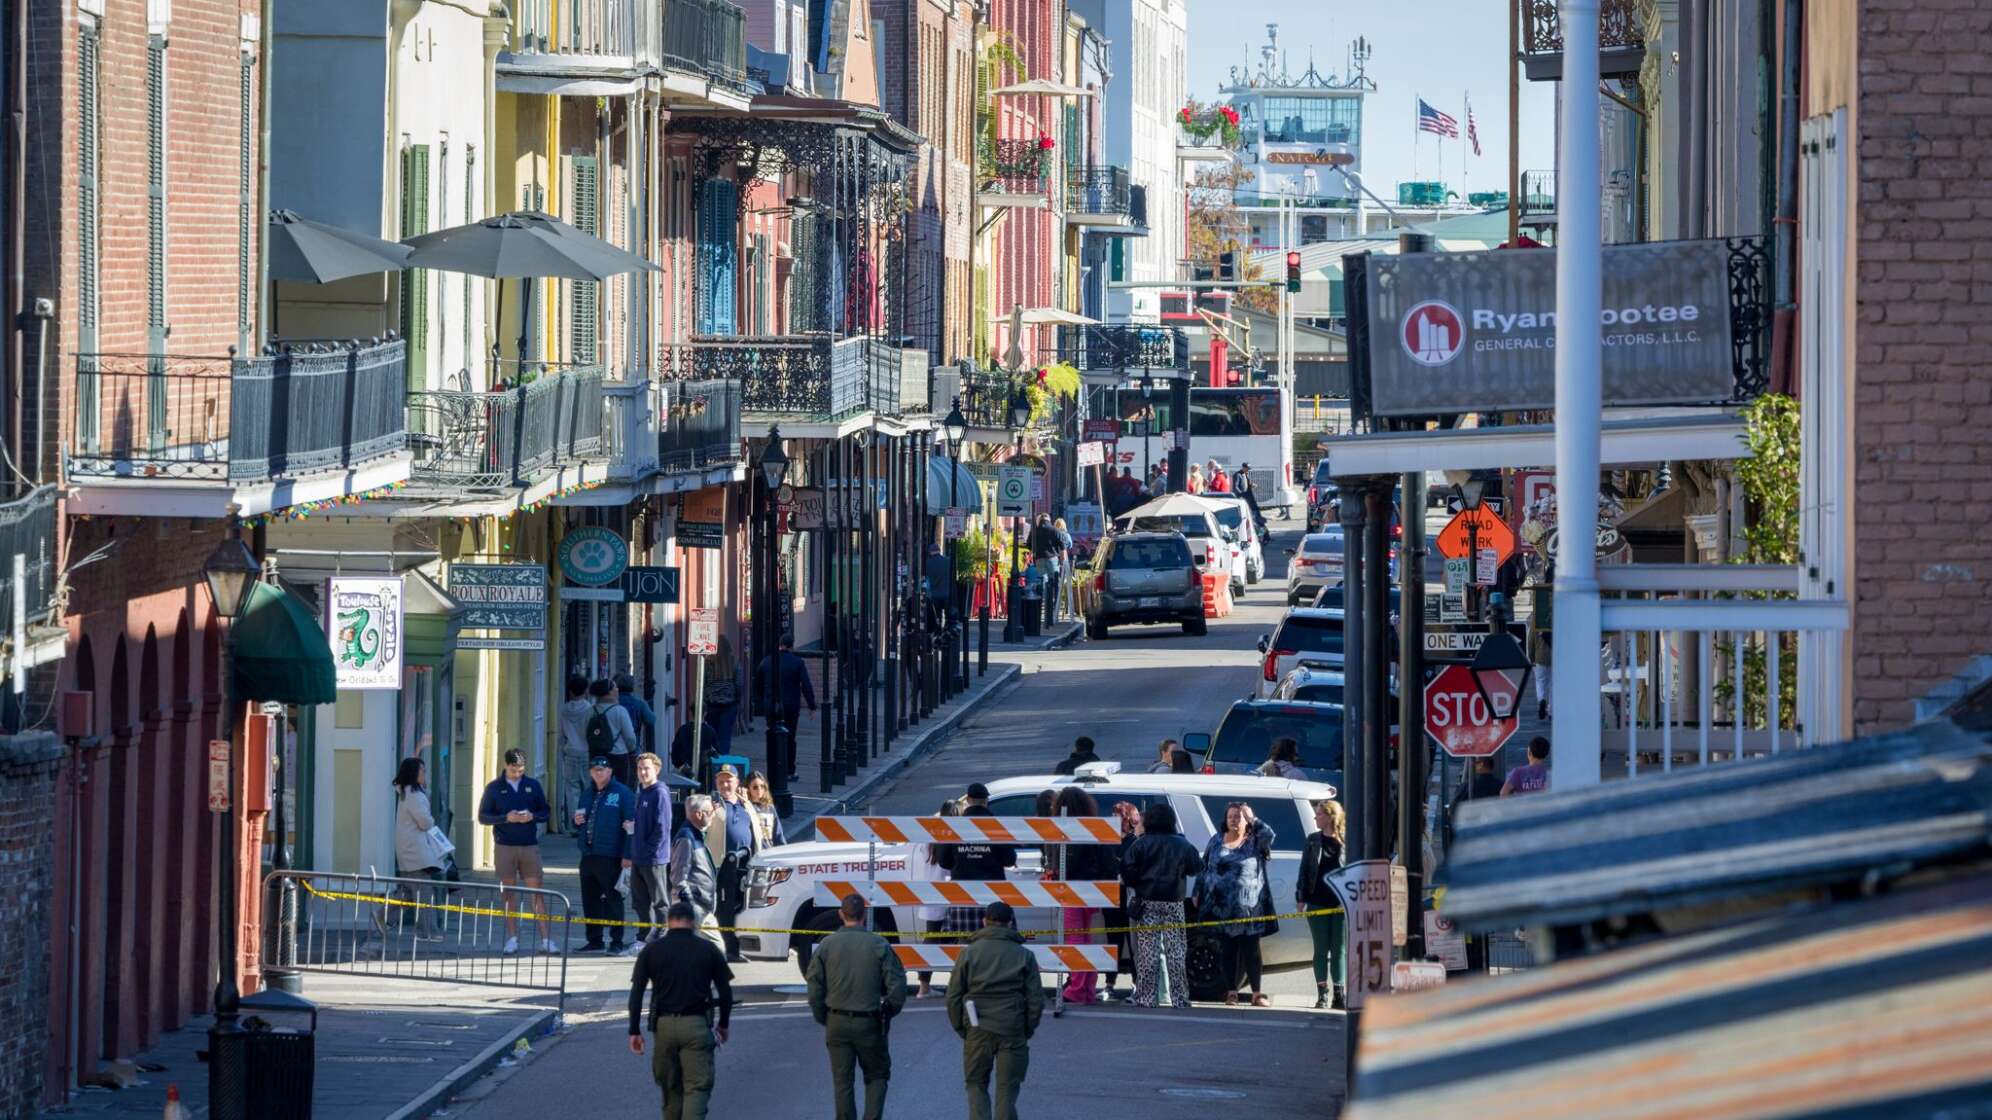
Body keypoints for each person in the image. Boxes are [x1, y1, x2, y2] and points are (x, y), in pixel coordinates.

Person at [628, 901, 734, 1120]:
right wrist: (723, 1024)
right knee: (697, 1087)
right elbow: (725, 993)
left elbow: (637, 993)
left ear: (668, 922)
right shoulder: (708, 949)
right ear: (694, 923)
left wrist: (634, 1031)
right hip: (696, 1025)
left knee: (670, 1088)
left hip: (664, 1026)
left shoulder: (652, 950)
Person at [807, 893, 908, 1120]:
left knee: (842, 1082)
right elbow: (898, 984)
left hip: (836, 1020)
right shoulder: (878, 944)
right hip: (869, 1021)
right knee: (877, 1076)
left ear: (841, 915)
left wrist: (823, 1016)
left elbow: (814, 987)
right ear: (864, 915)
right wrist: (888, 1011)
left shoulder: (826, 946)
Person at [946, 902, 1043, 1120]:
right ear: (1010, 923)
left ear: (984, 922)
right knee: (1007, 1089)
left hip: (977, 1025)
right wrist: (1026, 1028)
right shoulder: (1024, 955)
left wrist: (962, 1028)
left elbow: (953, 996)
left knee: (976, 1083)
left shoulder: (968, 953)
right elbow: (1036, 999)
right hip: (1012, 1026)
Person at [1118, 801, 1203, 1007]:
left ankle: (1147, 998)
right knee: (1176, 951)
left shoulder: (1140, 844)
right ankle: (1180, 998)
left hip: (1146, 901)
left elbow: (1126, 873)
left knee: (1148, 953)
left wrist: (1139, 881)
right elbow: (1196, 867)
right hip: (1174, 901)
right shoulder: (1182, 844)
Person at [1195, 801, 1278, 1006]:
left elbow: (1270, 835)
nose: (1233, 820)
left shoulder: (1255, 841)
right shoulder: (1216, 840)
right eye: (1230, 816)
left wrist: (1253, 818)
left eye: (1238, 817)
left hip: (1249, 908)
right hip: (1221, 908)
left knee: (1251, 951)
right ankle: (1231, 992)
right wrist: (1197, 891)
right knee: (1227, 950)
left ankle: (1257, 994)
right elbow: (1205, 867)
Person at [477, 749, 556, 955]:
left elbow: (545, 811)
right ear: (506, 765)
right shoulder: (494, 788)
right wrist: (505, 818)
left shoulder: (533, 785)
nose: (517, 773)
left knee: (536, 892)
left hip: (529, 844)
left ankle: (546, 939)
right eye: (513, 770)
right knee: (508, 894)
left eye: (521, 770)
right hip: (504, 846)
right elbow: (483, 817)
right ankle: (512, 938)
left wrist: (532, 816)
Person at [1050, 786, 1114, 1004]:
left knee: (1074, 938)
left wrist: (1056, 873)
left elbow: (1068, 863)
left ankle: (1077, 988)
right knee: (1087, 937)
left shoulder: (1067, 830)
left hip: (1072, 890)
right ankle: (1086, 987)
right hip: (1094, 890)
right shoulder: (1095, 827)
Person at [937, 783, 1016, 937]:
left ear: (968, 799)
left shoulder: (955, 827)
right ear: (986, 801)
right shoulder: (996, 826)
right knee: (996, 943)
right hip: (993, 899)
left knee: (963, 947)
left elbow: (944, 862)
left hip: (962, 896)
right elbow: (1009, 859)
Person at [574, 757, 634, 953]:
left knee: (613, 899)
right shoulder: (587, 793)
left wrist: (627, 855)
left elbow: (630, 826)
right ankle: (594, 939)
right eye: (595, 770)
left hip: (611, 855)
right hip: (589, 853)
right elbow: (581, 819)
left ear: (610, 771)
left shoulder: (622, 793)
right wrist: (577, 821)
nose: (598, 773)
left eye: (602, 769)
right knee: (589, 899)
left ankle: (616, 941)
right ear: (591, 772)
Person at [705, 765, 758, 961]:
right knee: (724, 909)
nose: (725, 784)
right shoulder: (713, 803)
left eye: (729, 780)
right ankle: (727, 949)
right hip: (723, 865)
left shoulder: (746, 804)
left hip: (746, 865)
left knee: (742, 907)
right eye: (721, 781)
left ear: (737, 782)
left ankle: (739, 947)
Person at [391, 757, 447, 940]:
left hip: (409, 850)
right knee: (424, 893)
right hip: (417, 852)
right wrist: (431, 820)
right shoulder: (415, 795)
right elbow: (425, 822)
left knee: (407, 894)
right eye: (422, 771)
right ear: (414, 774)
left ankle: (382, 915)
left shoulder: (406, 793)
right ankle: (427, 931)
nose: (424, 774)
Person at [1298, 799, 1347, 1010]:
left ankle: (1339, 992)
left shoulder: (1346, 841)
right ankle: (1322, 993)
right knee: (1321, 949)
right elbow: (1304, 871)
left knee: (1339, 949)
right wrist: (1300, 898)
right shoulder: (1312, 840)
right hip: (1317, 901)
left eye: (1319, 814)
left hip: (1341, 904)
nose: (1315, 818)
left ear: (1330, 817)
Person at [911, 798, 961, 998]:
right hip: (948, 894)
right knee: (956, 940)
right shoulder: (953, 835)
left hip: (930, 895)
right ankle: (955, 984)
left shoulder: (930, 835)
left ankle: (923, 987)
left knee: (930, 941)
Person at [625, 752, 674, 952]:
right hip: (638, 857)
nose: (643, 772)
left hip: (654, 858)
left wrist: (648, 851)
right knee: (640, 901)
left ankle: (663, 935)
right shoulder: (642, 793)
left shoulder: (659, 793)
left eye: (647, 768)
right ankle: (644, 936)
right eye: (640, 768)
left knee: (660, 900)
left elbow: (662, 828)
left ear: (656, 769)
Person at [757, 637, 819, 782]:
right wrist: (812, 705)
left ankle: (773, 769)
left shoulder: (767, 661)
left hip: (771, 706)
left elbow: (758, 683)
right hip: (791, 706)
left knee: (772, 735)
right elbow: (806, 685)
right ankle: (789, 770)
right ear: (792, 646)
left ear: (779, 645)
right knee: (790, 738)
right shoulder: (797, 662)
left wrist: (763, 700)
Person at [671, 794, 725, 949]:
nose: (712, 816)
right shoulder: (686, 838)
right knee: (717, 948)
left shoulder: (696, 834)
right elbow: (678, 877)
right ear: (698, 814)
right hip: (695, 907)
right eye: (710, 812)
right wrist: (690, 906)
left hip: (702, 906)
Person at [586, 678, 640, 788]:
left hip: (596, 754)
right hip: (618, 755)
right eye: (614, 687)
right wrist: (632, 750)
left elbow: (586, 733)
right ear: (609, 692)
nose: (617, 689)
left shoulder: (591, 711)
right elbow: (630, 738)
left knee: (598, 786)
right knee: (620, 787)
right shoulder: (620, 711)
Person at [557, 675, 594, 829]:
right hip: (586, 751)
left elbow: (561, 733)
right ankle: (585, 824)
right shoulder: (589, 709)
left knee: (572, 790)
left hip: (570, 752)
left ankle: (574, 825)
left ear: (570, 692)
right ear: (585, 691)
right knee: (587, 789)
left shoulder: (563, 709)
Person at [702, 633, 742, 760]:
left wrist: (705, 698)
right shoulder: (734, 662)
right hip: (729, 704)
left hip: (712, 704)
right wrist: (738, 699)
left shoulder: (708, 662)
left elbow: (704, 682)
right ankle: (722, 761)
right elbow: (739, 683)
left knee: (712, 734)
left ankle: (712, 761)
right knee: (725, 736)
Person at [743, 772, 788, 850]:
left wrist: (783, 849)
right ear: (748, 789)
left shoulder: (770, 808)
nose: (759, 790)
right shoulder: (746, 807)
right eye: (755, 787)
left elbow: (777, 833)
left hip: (769, 849)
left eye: (762, 786)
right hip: (754, 851)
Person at [669, 714, 719, 784]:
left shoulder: (683, 729)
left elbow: (675, 752)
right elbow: (717, 754)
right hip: (704, 772)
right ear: (705, 713)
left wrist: (680, 766)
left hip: (686, 770)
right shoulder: (710, 731)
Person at [616, 672, 658, 754]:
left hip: (614, 748)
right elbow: (651, 720)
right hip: (633, 747)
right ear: (632, 687)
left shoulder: (612, 703)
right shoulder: (639, 703)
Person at [1529, 622, 1553, 721]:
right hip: (1554, 657)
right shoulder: (1556, 619)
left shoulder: (1535, 622)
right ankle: (1552, 711)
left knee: (1540, 682)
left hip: (1539, 658)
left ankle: (1541, 699)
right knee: (1553, 685)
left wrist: (1531, 658)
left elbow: (1530, 642)